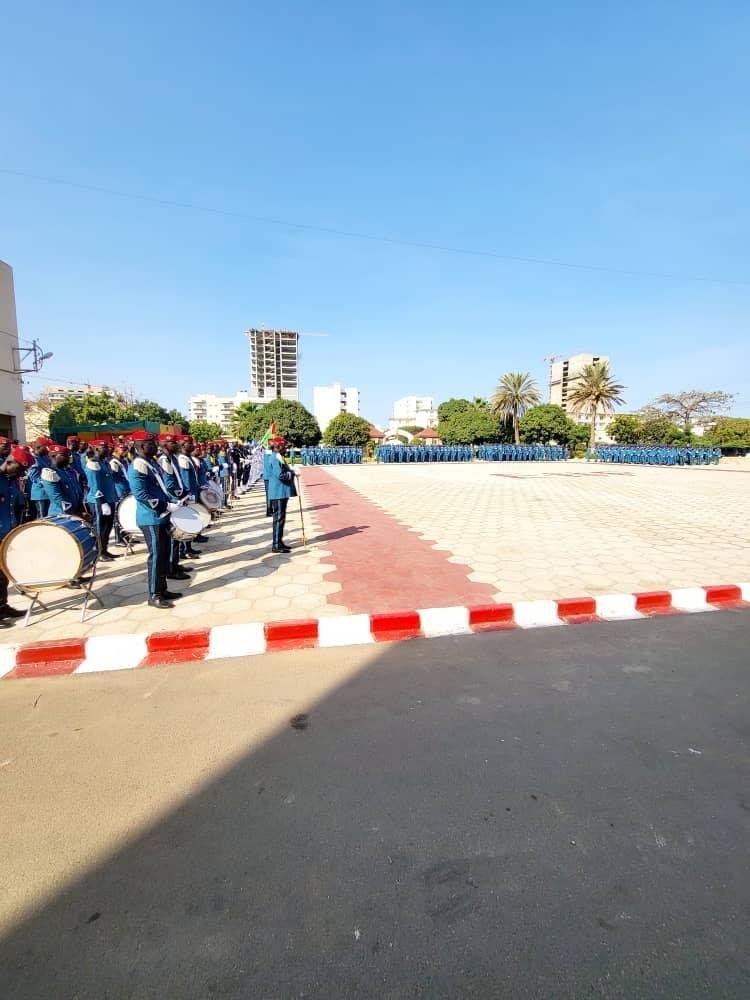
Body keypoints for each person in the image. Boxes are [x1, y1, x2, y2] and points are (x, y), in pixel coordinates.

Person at [128, 435, 184, 609]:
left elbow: (160, 488)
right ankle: (154, 594)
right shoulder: (138, 465)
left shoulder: (149, 462)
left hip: (161, 516)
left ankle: (162, 589)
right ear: (141, 446)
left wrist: (172, 501)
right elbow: (141, 495)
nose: (155, 446)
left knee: (164, 554)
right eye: (151, 444)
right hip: (151, 517)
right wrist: (165, 505)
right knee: (156, 556)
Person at [0, 446, 31, 624]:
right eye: (19, 469)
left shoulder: (10, 479)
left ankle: (2, 607)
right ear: (10, 462)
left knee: (3, 574)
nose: (21, 474)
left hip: (7, 532)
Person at [157, 434, 194, 579]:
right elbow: (169, 484)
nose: (176, 445)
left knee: (178, 535)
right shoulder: (164, 460)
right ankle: (171, 568)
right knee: (173, 536)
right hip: (172, 501)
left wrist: (185, 492)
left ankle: (175, 564)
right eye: (173, 443)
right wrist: (181, 495)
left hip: (178, 499)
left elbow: (178, 480)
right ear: (164, 445)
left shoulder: (172, 458)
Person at [84, 440, 120, 561]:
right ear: (96, 449)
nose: (107, 450)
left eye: (107, 447)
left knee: (107, 527)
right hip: (99, 501)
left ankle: (104, 549)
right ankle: (98, 552)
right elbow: (95, 486)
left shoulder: (104, 462)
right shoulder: (93, 463)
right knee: (99, 527)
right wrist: (102, 502)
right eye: (103, 448)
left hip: (109, 499)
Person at [266, 437, 298, 553]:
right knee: (278, 519)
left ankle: (279, 542)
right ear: (278, 447)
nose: (286, 448)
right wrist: (292, 473)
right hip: (278, 492)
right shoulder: (275, 458)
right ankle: (276, 545)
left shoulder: (278, 456)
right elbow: (281, 475)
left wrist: (291, 471)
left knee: (281, 519)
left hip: (281, 492)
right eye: (284, 446)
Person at [108, 443, 131, 547]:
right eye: (123, 449)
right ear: (116, 449)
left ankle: (127, 536)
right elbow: (112, 478)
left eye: (126, 449)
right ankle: (118, 539)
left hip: (126, 489)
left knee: (126, 513)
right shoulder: (114, 462)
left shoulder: (123, 460)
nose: (125, 451)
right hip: (119, 490)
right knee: (118, 514)